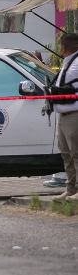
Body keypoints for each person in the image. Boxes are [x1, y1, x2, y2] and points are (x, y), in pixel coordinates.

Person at [52, 33, 78, 202]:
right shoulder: (68, 62)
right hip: (64, 113)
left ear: (65, 47)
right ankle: (71, 189)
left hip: (74, 113)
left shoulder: (76, 62)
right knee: (66, 153)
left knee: (76, 153)